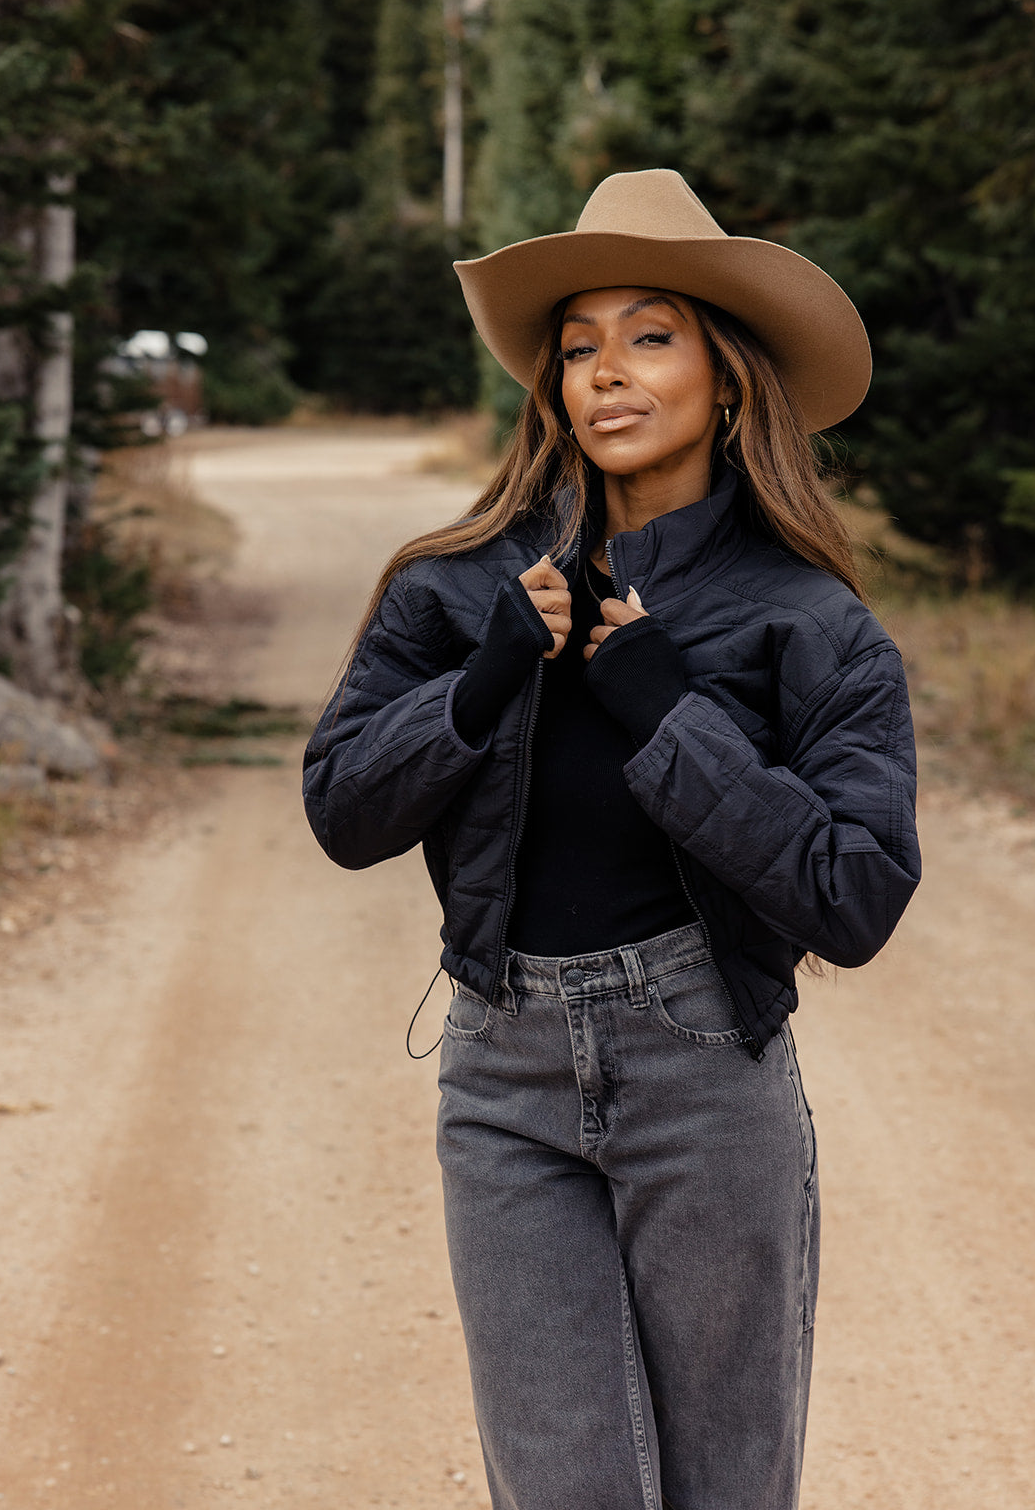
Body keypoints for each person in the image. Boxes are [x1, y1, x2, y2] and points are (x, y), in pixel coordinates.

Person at [302, 169, 921, 1510]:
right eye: (578, 347)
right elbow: (343, 805)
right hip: (502, 1078)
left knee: (723, 1489)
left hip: (708, 1074)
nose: (606, 374)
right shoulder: (459, 584)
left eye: (650, 336)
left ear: (729, 377)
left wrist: (665, 711)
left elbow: (854, 894)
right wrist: (480, 684)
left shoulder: (802, 620)